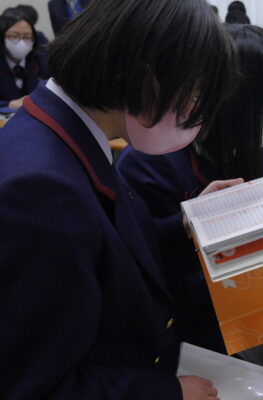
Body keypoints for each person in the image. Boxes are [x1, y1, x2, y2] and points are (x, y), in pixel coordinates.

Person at [0, 0, 238, 398]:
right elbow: (31, 386)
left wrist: (188, 225)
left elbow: (104, 251)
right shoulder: (42, 189)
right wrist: (168, 393)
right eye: (193, 94)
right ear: (146, 79)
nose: (193, 112)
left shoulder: (67, 128)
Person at [117, 24, 263, 400]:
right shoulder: (151, 164)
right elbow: (164, 291)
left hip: (251, 321)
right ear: (234, 101)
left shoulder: (242, 146)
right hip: (187, 343)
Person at [0, 9, 48, 110]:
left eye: (27, 37)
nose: (21, 42)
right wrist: (8, 104)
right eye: (14, 36)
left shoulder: (42, 61)